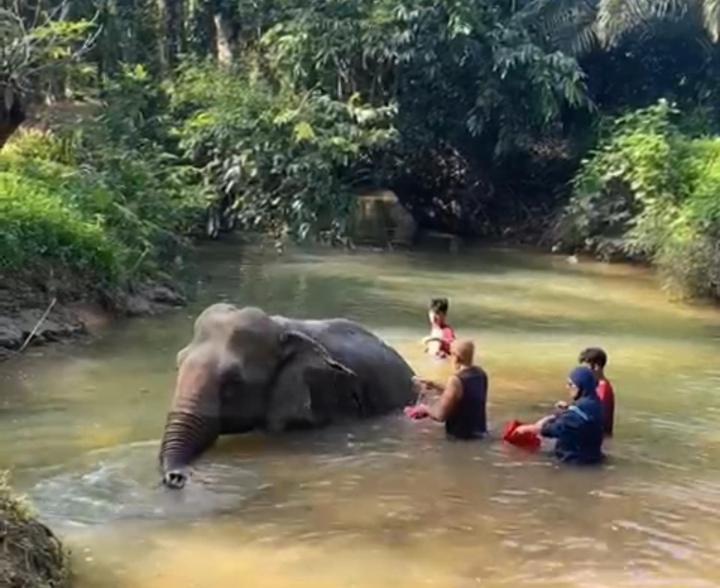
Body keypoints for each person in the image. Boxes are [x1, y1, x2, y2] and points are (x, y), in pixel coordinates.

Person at [514, 366, 604, 464]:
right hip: (593, 456)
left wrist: (531, 428)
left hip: (574, 462)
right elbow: (582, 419)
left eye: (570, 384)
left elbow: (555, 429)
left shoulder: (577, 412)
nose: (567, 387)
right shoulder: (594, 403)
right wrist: (568, 409)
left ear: (580, 386)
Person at [407, 339, 488, 439]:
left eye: (450, 354)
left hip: (460, 439)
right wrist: (435, 385)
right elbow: (463, 396)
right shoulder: (480, 374)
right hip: (480, 434)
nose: (449, 358)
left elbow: (440, 415)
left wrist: (425, 409)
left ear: (456, 357)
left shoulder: (456, 379)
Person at [579, 347, 615, 436]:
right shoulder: (595, 385)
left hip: (599, 437)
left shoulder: (602, 388)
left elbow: (596, 416)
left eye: (585, 368)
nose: (583, 372)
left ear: (595, 367)